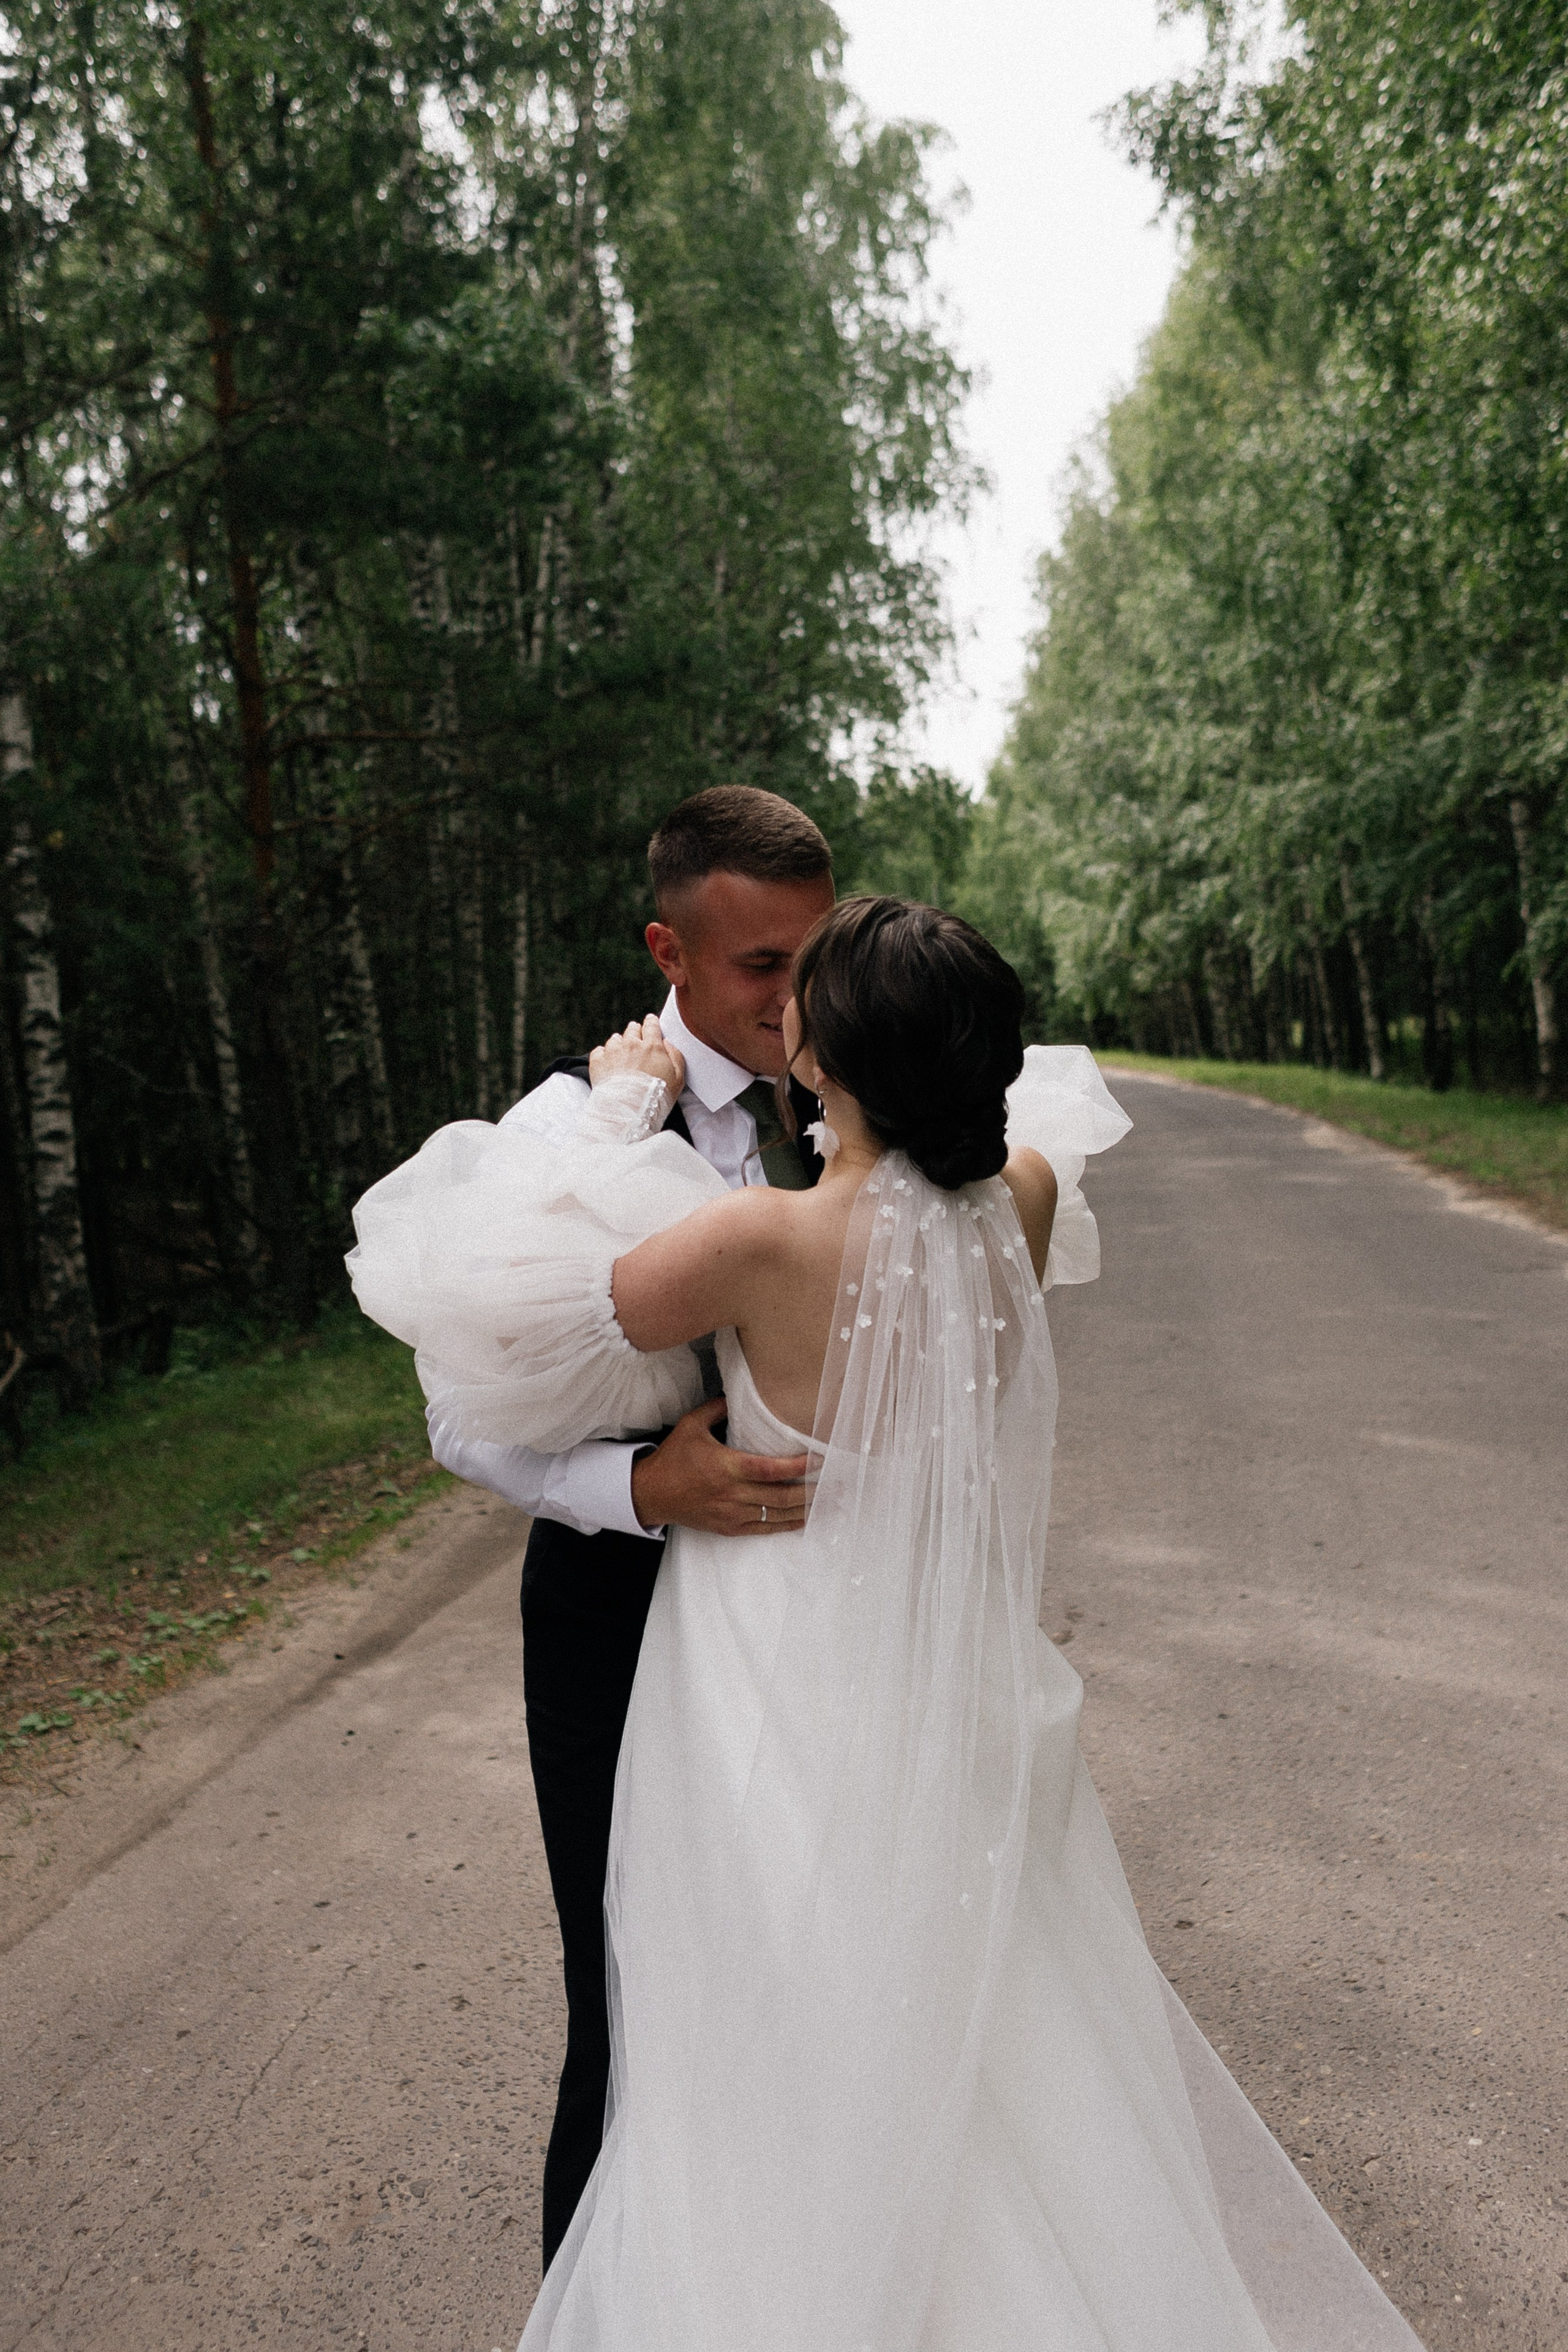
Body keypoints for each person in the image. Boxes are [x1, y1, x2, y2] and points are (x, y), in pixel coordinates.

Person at [350, 898, 1427, 2351]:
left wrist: (614, 1115)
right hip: (943, 1677)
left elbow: (487, 1307)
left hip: (764, 1680)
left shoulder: (756, 1240)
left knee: (759, 2028)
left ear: (826, 1057)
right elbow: (1034, 1126)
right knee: (978, 2037)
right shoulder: (1022, 1204)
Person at [426, 785, 835, 2264]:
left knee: (819, 1973)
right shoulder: (559, 1124)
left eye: (816, 952)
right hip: (614, 1617)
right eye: (759, 968)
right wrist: (635, 1492)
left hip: (821, 1622)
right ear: (667, 947)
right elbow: (461, 1416)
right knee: (627, 1992)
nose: (799, 1000)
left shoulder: (867, 1098)